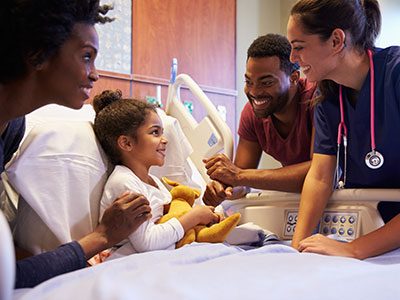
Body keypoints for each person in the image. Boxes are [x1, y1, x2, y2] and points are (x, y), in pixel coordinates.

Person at [0, 0, 151, 288]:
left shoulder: (11, 128)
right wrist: (102, 236)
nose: (95, 73)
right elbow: (6, 279)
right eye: (85, 56)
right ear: (38, 53)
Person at [287, 0, 400, 259]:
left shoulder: (396, 74)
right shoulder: (327, 98)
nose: (293, 58)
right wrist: (297, 248)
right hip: (372, 225)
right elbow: (320, 177)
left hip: (377, 237)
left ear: (337, 40)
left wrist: (354, 249)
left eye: (299, 47)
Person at [93, 90, 220, 253]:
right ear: (126, 143)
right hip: (130, 259)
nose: (165, 140)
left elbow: (167, 217)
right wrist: (194, 217)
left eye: (162, 133)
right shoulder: (124, 183)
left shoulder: (153, 180)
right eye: (155, 132)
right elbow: (147, 242)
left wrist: (206, 218)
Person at [203, 34, 317, 206]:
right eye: (249, 82)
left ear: (293, 78)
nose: (254, 92)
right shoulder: (252, 114)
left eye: (266, 83)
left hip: (349, 195)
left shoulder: (317, 100)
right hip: (301, 200)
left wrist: (239, 176)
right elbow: (242, 178)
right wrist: (225, 188)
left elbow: (319, 172)